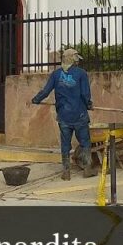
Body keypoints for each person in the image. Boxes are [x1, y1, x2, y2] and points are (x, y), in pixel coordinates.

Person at [32, 48, 94, 180]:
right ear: (74, 59)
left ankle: (66, 172)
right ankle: (87, 169)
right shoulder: (81, 74)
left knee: (65, 143)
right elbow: (85, 94)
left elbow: (46, 91)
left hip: (63, 116)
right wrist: (89, 104)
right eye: (77, 58)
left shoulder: (56, 74)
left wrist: (36, 100)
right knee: (85, 142)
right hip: (79, 114)